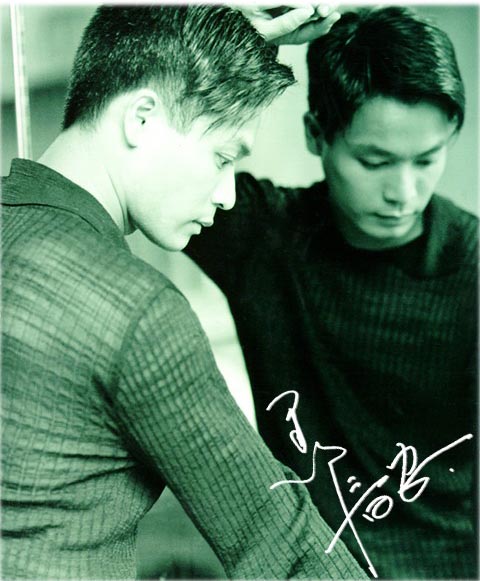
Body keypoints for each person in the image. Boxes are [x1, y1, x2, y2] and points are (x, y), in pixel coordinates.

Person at [1, 5, 368, 580]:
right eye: (222, 157)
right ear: (142, 117)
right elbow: (278, 538)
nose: (228, 195)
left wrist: (203, 39)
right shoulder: (135, 311)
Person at [186, 6, 478, 580]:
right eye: (375, 161)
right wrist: (238, 37)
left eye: (427, 159)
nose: (404, 192)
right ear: (316, 135)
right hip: (305, 568)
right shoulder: (262, 238)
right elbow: (157, 150)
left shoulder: (471, 265)